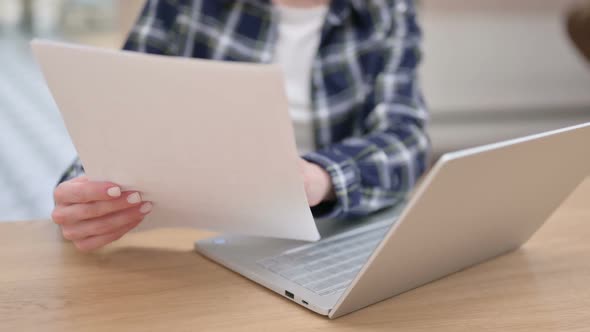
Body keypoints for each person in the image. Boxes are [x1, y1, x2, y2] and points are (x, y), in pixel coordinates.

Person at [51, 0, 430, 251]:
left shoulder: (387, 10)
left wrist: (319, 178)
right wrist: (85, 191)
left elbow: (406, 139)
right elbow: (117, 116)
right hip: (189, 237)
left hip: (326, 234)